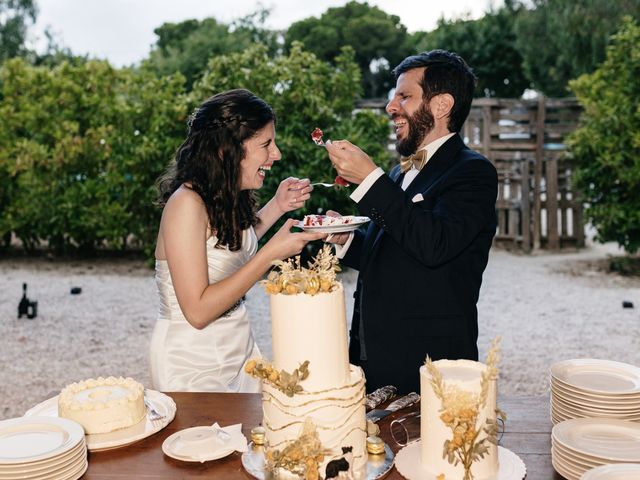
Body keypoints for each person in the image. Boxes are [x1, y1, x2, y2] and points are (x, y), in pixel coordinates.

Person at [325, 50, 498, 394]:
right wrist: (347, 240)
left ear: (441, 105)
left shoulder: (473, 172)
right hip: (372, 356)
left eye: (404, 96)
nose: (391, 107)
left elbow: (434, 245)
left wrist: (370, 179)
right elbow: (393, 252)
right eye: (393, 96)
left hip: (427, 366)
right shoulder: (397, 173)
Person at [150, 89, 324, 392]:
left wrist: (277, 206)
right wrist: (270, 256)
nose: (277, 153)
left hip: (238, 351)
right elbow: (198, 311)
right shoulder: (186, 205)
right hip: (192, 363)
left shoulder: (221, 196)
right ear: (226, 149)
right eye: (266, 144)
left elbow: (227, 252)